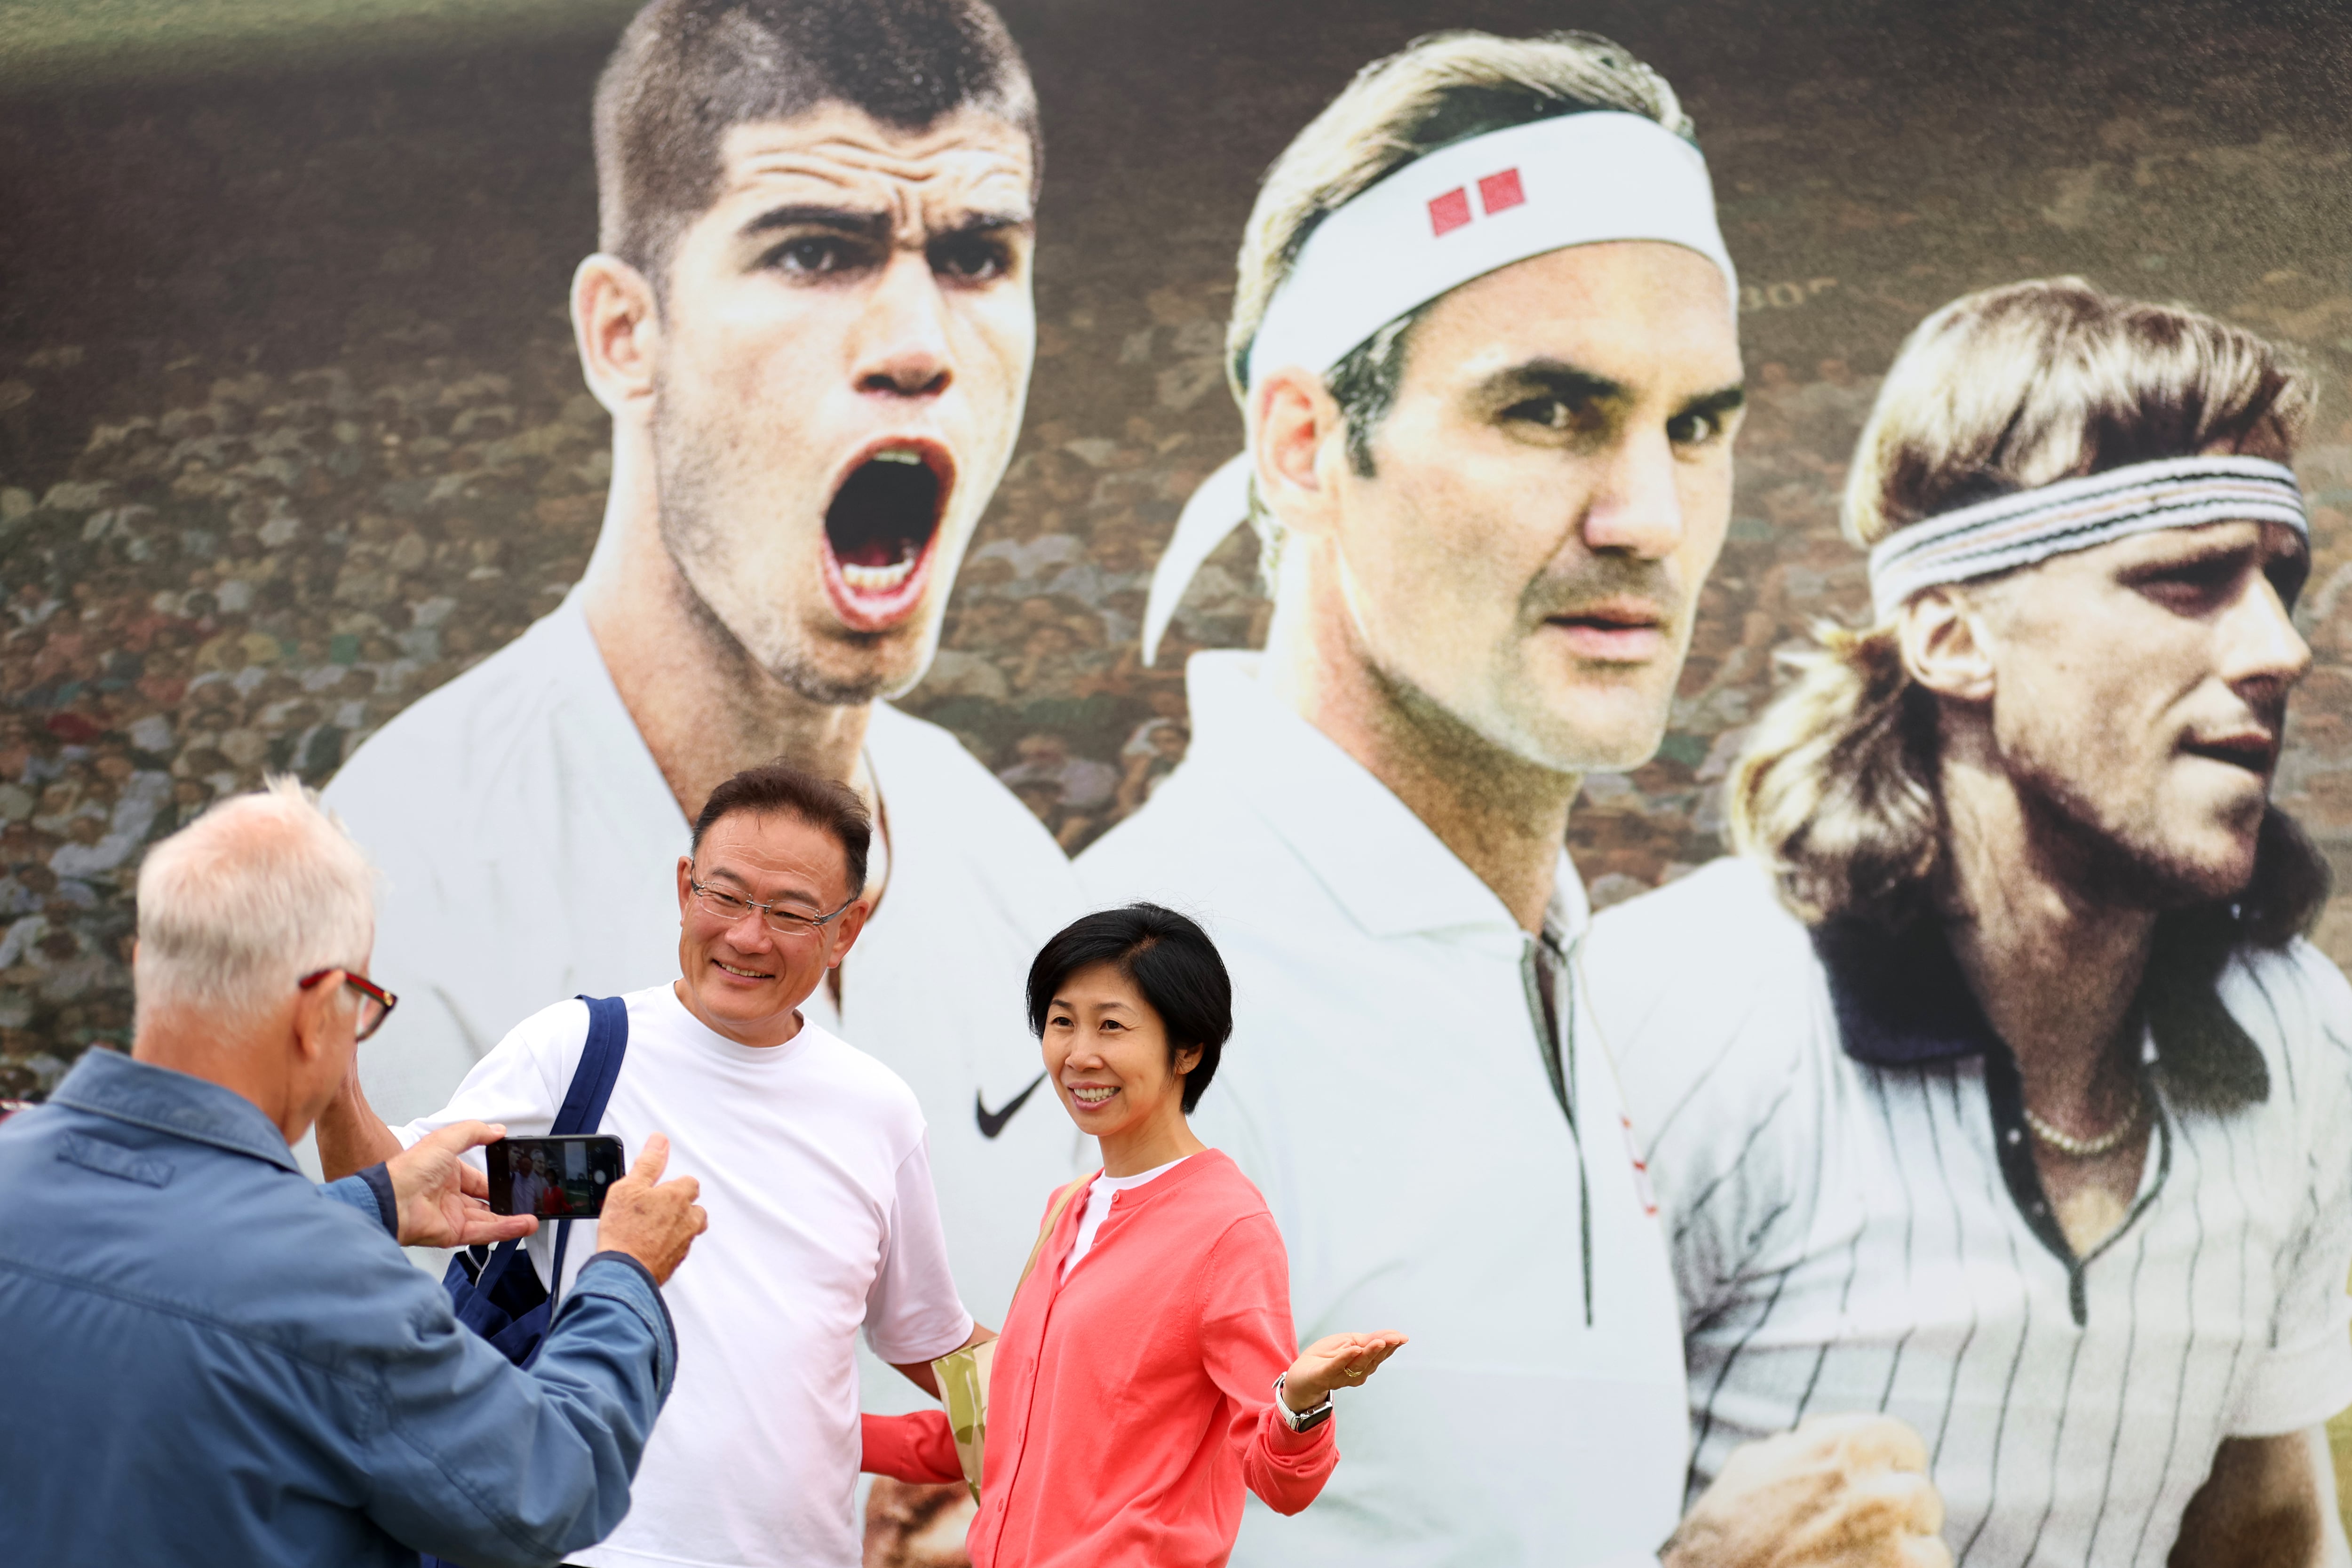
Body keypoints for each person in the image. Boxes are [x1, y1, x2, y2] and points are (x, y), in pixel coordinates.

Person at [1082, 28, 1946, 1567]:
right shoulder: (1152, 1009)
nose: (1651, 518)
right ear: (1304, 444)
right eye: (1548, 411)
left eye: (1694, 426)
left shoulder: (1525, 949)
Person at [318, 0, 1083, 1357]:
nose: (919, 343)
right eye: (815, 249)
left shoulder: (1008, 876)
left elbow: (970, 1316)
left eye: (976, 255)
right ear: (627, 333)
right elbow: (377, 1315)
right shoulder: (412, 876)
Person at [1585, 279, 2352, 1568]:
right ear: (1952, 636)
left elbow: (2261, 1522)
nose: (2278, 646)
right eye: (2187, 582)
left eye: (2281, 580)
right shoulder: (1676, 1020)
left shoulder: (2306, 1038)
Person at [0, 778, 708, 1567]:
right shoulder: (336, 1285)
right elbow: (550, 1486)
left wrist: (367, 1204)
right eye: (365, 1000)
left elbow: (163, 1255)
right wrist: (623, 1277)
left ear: (145, 965)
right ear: (319, 1011)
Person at [319, 760, 987, 1568]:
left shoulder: (877, 1110)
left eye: (790, 912)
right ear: (684, 887)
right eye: (726, 895)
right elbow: (395, 1184)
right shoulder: (582, 1052)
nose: (748, 935)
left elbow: (931, 1339)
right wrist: (332, 1073)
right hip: (584, 1547)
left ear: (847, 928)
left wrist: (1128, 1388)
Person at [862, 904, 1407, 1565]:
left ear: (1188, 1048)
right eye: (1062, 1021)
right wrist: (828, 1432)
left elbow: (1283, 1481)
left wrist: (1301, 1402)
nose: (1080, 1053)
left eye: (1112, 1026)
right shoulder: (1068, 1207)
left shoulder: (1227, 1227)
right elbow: (1013, 1431)